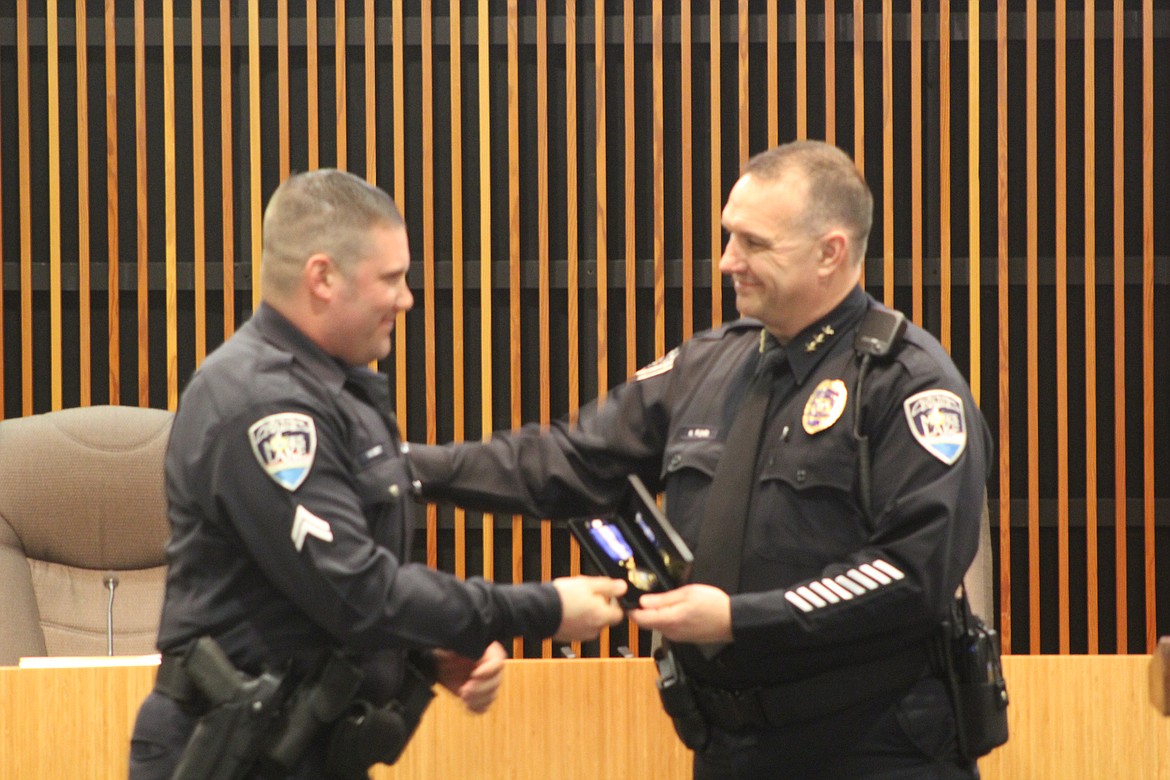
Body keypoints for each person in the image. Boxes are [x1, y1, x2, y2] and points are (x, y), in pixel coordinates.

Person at [410, 140, 993, 778]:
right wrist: (407, 466)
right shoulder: (710, 364)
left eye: (753, 244)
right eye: (728, 237)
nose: (727, 262)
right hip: (728, 747)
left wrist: (739, 619)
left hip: (874, 747)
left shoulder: (907, 383)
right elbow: (566, 458)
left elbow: (913, 572)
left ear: (831, 252)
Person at [128, 169, 627, 779]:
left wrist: (423, 653)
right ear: (323, 277)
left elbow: (310, 597)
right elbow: (357, 594)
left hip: (298, 744)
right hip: (229, 754)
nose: (407, 298)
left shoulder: (333, 389)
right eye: (392, 279)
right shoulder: (268, 407)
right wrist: (542, 607)